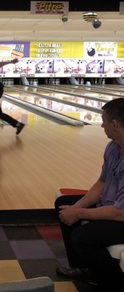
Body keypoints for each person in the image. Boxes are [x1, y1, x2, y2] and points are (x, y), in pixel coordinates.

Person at [55, 98, 124, 291]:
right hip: (111, 206)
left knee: (81, 236)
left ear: (115, 124)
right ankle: (84, 267)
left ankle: (110, 281)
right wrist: (75, 208)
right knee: (64, 204)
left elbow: (120, 213)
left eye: (104, 120)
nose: (101, 124)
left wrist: (79, 213)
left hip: (120, 216)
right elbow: (101, 184)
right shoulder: (113, 147)